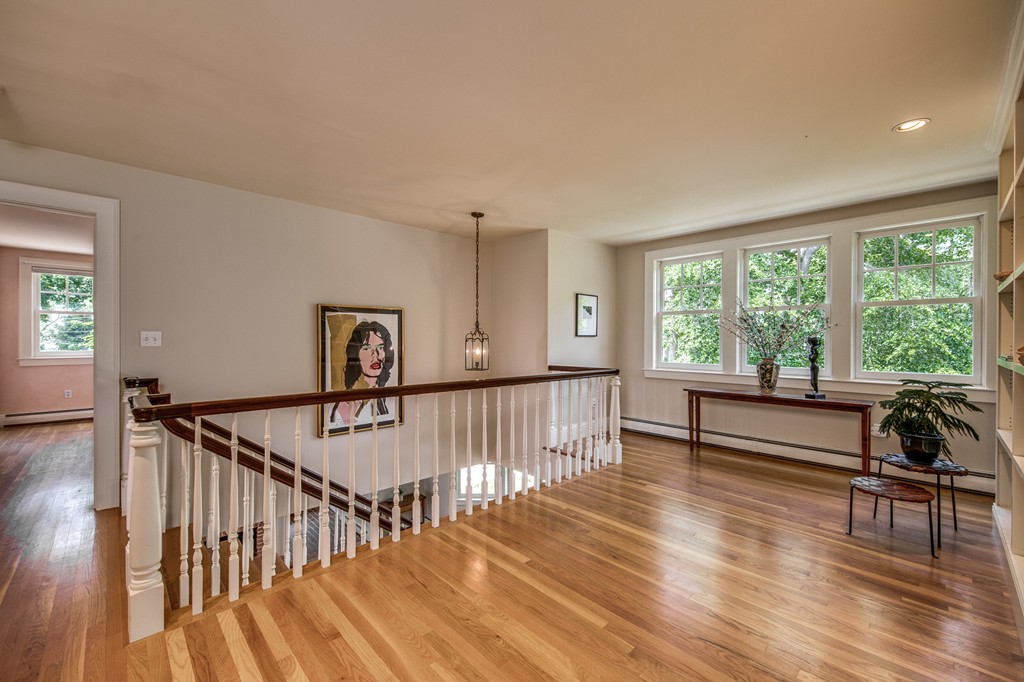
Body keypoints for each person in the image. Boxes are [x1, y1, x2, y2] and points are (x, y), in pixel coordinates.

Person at [331, 320, 395, 425]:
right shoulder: (347, 403)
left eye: (380, 347)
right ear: (356, 353)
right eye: (367, 348)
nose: (376, 355)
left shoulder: (381, 396)